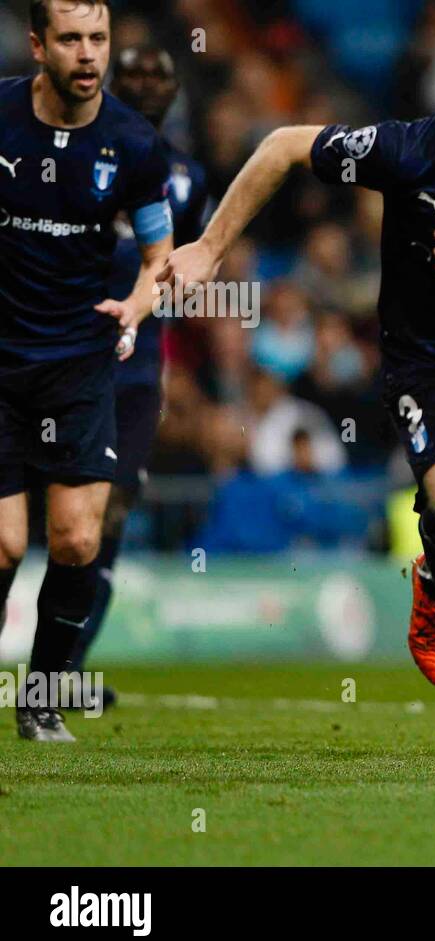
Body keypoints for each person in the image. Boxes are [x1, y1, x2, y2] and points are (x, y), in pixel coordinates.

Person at [160, 26, 435, 784]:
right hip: (431, 369)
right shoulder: (407, 151)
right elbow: (282, 147)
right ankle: (434, 581)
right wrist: (210, 247)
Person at [0, 0, 174, 741]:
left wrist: (136, 304)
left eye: (98, 38)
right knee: (4, 544)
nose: (88, 54)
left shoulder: (134, 144)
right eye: (70, 39)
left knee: (76, 540)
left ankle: (39, 698)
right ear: (39, 45)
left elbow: (161, 257)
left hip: (79, 360)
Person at [65, 43, 210, 707]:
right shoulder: (69, 148)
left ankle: (64, 672)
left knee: (112, 509)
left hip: (136, 365)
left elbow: (189, 272)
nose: (148, 84)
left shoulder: (187, 177)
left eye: (160, 74)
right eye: (136, 73)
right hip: (54, 349)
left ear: (177, 91)